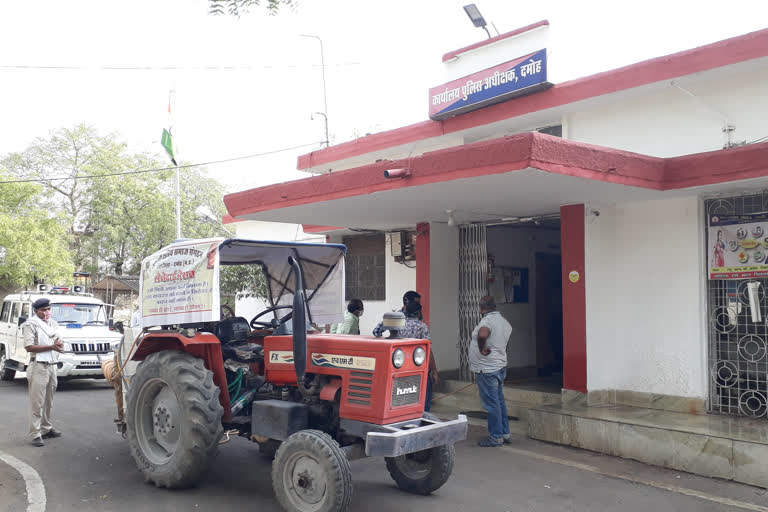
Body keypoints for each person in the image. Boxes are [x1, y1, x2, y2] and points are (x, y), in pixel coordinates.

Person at [470, 295, 513, 447]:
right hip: (499, 367)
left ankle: (496, 437)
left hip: (487, 369)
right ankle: (504, 433)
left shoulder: (487, 321)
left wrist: (482, 348)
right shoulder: (504, 322)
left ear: (481, 308)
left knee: (492, 404)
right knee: (499, 402)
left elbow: (483, 334)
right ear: (494, 306)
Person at [22, 298, 64, 447]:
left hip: (52, 365)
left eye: (48, 309)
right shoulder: (30, 324)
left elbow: (59, 340)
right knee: (37, 401)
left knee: (48, 400)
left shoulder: (52, 323)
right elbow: (29, 347)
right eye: (43, 310)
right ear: (36, 311)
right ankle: (35, 432)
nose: (47, 313)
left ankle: (46, 428)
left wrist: (59, 346)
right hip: (38, 365)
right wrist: (52, 347)